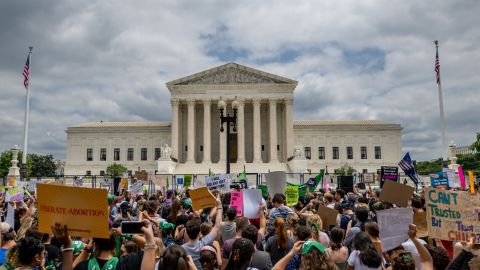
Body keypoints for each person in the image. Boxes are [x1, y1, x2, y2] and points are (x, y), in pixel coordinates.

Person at [182, 194, 223, 270]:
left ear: (187, 233)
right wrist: (219, 206)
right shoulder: (204, 243)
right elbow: (217, 226)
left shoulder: (182, 249)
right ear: (199, 232)